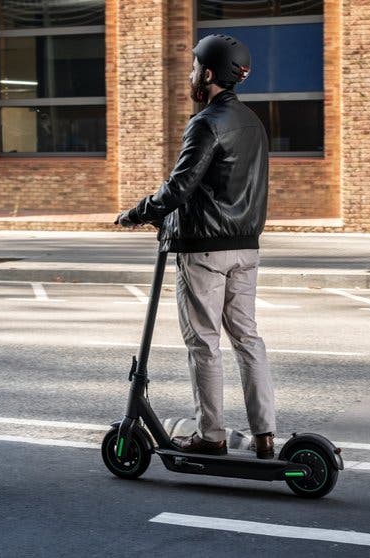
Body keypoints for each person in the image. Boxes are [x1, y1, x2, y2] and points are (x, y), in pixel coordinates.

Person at [114, 34, 276, 460]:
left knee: (204, 343)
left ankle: (212, 435)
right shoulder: (253, 123)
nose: (190, 76)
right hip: (246, 248)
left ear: (207, 74)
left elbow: (179, 186)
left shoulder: (206, 122)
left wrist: (138, 212)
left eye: (193, 68)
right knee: (247, 339)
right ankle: (265, 435)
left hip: (204, 249)